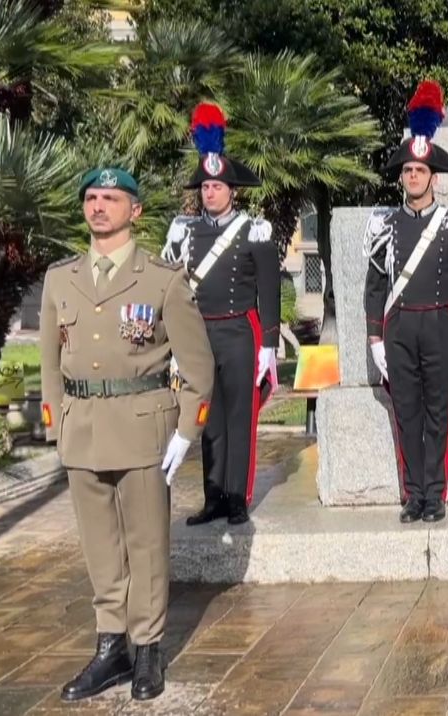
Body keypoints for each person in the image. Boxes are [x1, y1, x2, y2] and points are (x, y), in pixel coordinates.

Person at [40, 168, 214, 702]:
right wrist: (56, 424)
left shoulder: (162, 279)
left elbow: (198, 364)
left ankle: (148, 649)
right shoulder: (60, 277)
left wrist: (188, 428)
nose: (98, 207)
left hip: (143, 426)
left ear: (134, 210)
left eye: (111, 199)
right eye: (91, 198)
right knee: (99, 548)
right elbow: (50, 361)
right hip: (83, 428)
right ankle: (110, 646)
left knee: (146, 546)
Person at [364, 80, 448, 524]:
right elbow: (375, 288)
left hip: (440, 327)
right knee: (406, 415)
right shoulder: (382, 224)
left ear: (433, 177)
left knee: (438, 413)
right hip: (400, 329)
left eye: (420, 171)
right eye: (407, 171)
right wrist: (375, 339)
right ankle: (413, 495)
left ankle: (436, 493)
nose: (413, 177)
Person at [161, 102, 280, 526]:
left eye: (218, 186)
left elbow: (269, 291)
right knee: (205, 416)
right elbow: (172, 290)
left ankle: (236, 497)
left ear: (233, 189)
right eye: (205, 187)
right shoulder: (184, 232)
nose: (210, 192)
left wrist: (268, 344)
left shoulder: (255, 230)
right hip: (198, 334)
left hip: (239, 331)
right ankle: (212, 497)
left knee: (239, 416)